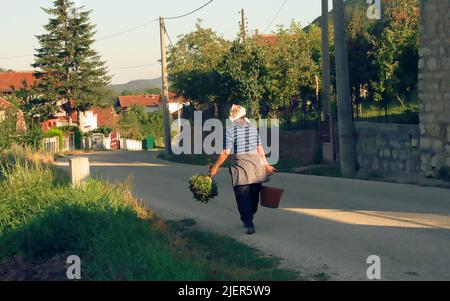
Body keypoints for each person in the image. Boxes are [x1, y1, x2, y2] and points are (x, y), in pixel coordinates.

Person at [209, 104, 276, 235]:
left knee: (243, 197)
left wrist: (215, 167)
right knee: (252, 197)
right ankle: (248, 221)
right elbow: (260, 149)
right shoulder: (252, 128)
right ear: (245, 116)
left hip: (241, 167)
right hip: (256, 166)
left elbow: (225, 152)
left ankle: (247, 218)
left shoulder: (231, 130)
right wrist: (266, 164)